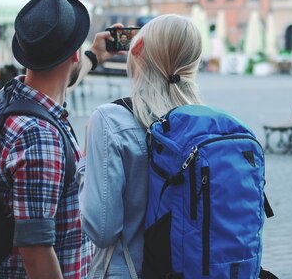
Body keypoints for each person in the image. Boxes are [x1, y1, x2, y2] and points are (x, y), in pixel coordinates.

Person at [0, 0, 122, 279]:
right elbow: (36, 251)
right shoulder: (38, 135)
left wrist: (96, 55)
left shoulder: (12, 98)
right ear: (72, 54)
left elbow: (62, 82)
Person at [79, 14, 203, 278]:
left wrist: (85, 162)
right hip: (190, 268)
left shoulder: (110, 119)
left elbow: (102, 230)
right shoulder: (203, 122)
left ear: (135, 49)